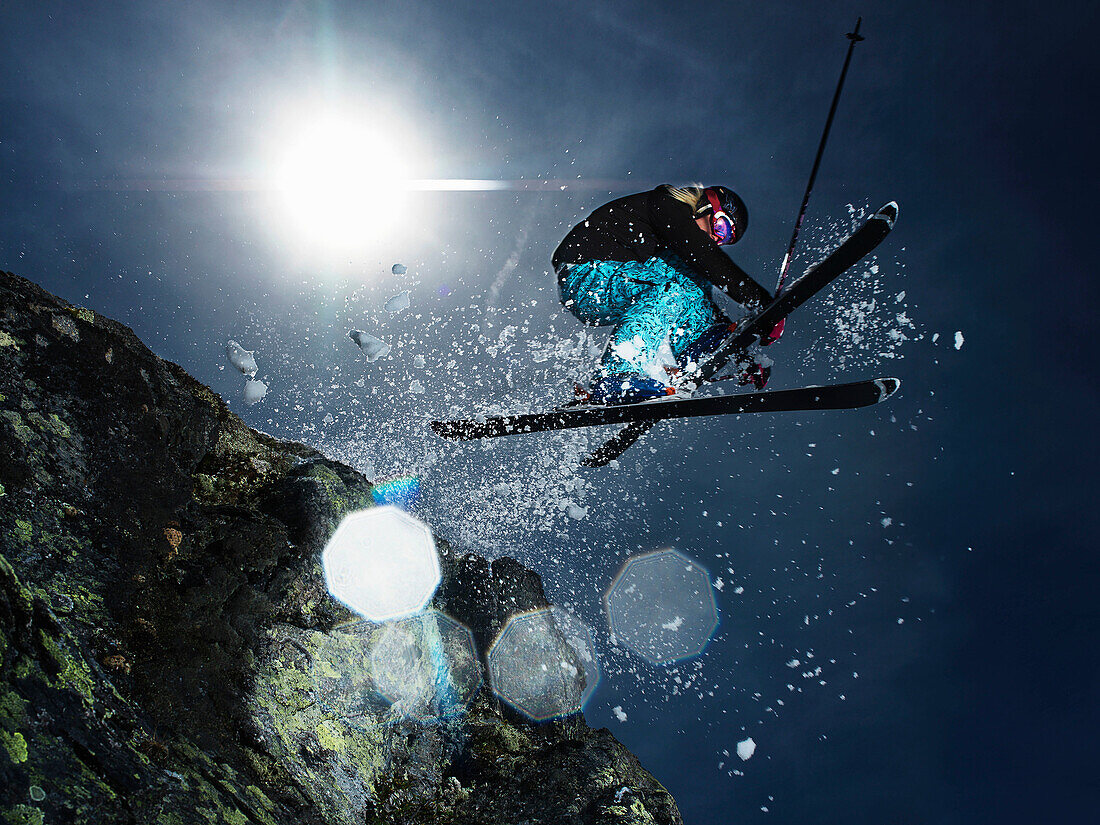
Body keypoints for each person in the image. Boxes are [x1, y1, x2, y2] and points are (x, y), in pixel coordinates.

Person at [552, 184, 775, 405]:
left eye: (726, 240)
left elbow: (699, 275)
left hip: (617, 277)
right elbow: (704, 256)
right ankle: (615, 377)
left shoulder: (680, 238)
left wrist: (741, 357)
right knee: (677, 282)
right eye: (722, 228)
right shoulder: (667, 204)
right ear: (706, 206)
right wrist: (761, 302)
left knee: (690, 275)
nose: (718, 239)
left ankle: (696, 342)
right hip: (586, 278)